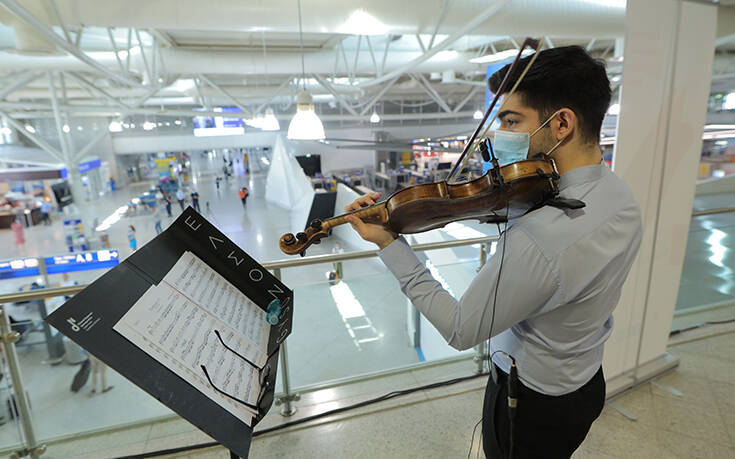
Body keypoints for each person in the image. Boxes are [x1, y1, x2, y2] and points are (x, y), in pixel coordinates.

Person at [344, 46, 642, 459]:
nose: (496, 134)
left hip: (529, 405)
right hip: (584, 381)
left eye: (510, 120)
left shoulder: (540, 240)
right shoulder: (620, 197)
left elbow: (460, 329)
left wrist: (389, 243)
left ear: (561, 125)